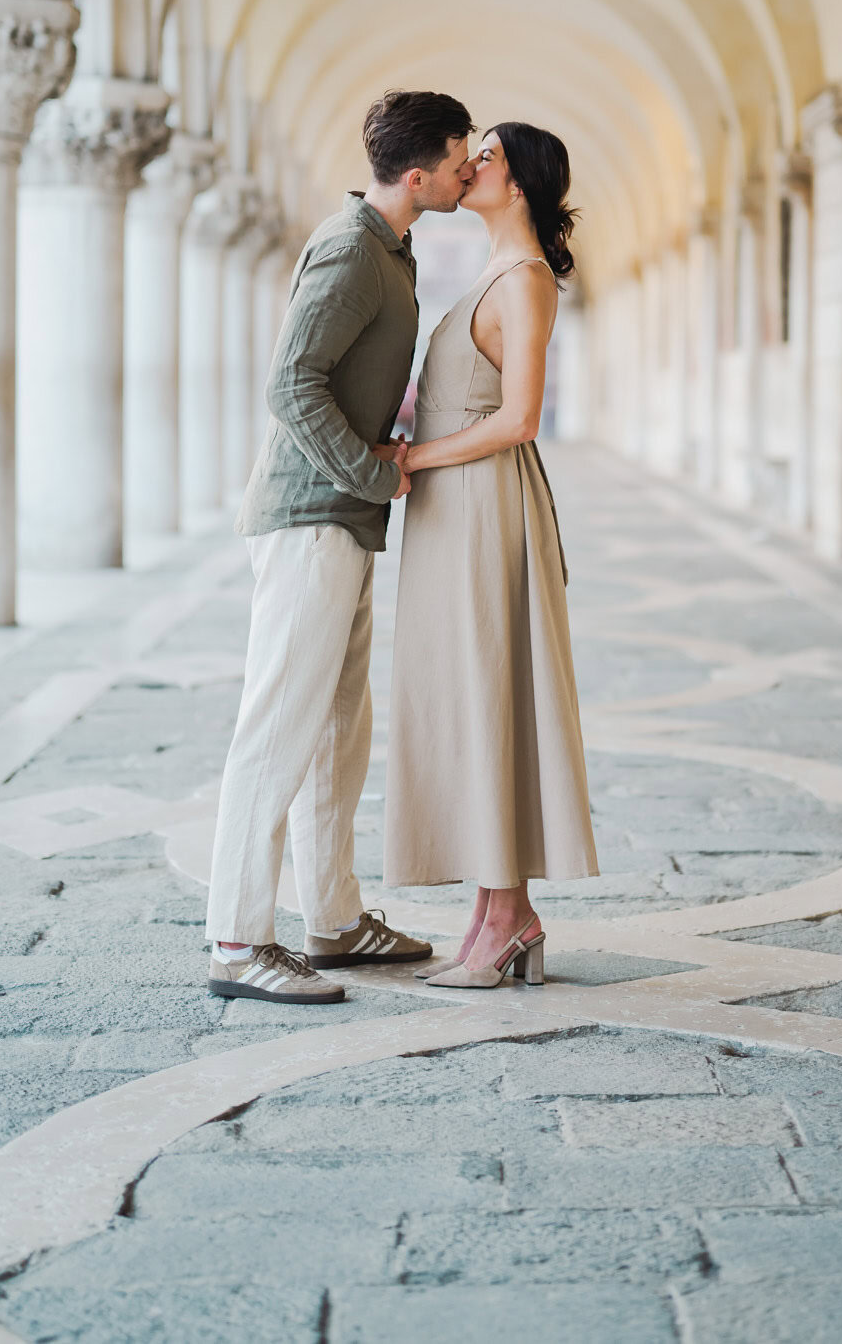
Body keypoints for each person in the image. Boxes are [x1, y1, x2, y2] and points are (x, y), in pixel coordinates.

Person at [205, 91, 474, 1004]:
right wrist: (369, 471)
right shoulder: (354, 249)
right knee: (277, 732)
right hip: (311, 518)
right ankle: (238, 942)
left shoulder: (389, 250)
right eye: (458, 156)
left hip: (345, 520)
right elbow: (290, 383)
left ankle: (331, 921)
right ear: (416, 174)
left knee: (335, 737)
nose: (468, 168)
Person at [384, 122, 599, 988]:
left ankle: (509, 914)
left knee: (487, 697)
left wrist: (410, 461)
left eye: (489, 155)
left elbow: (518, 420)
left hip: (481, 508)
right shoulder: (491, 273)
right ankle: (491, 910)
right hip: (455, 510)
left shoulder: (525, 279)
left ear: (519, 186)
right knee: (465, 697)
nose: (469, 163)